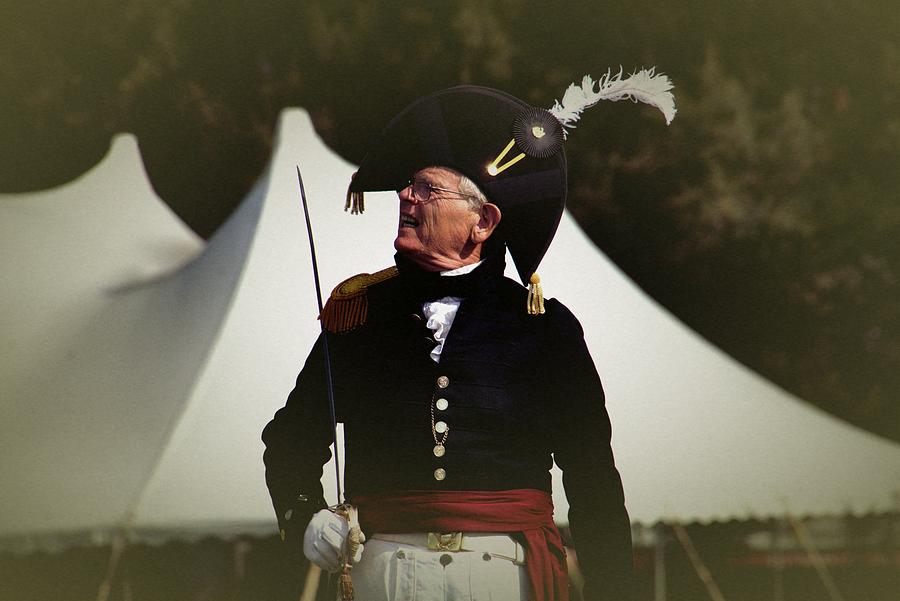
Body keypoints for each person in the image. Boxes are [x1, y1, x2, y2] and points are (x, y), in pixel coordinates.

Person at [262, 85, 634, 601]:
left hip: (506, 577)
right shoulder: (357, 315)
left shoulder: (545, 328)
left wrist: (614, 587)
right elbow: (290, 440)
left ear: (482, 222)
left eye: (427, 189)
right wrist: (305, 515)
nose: (405, 197)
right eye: (408, 186)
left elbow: (591, 470)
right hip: (382, 577)